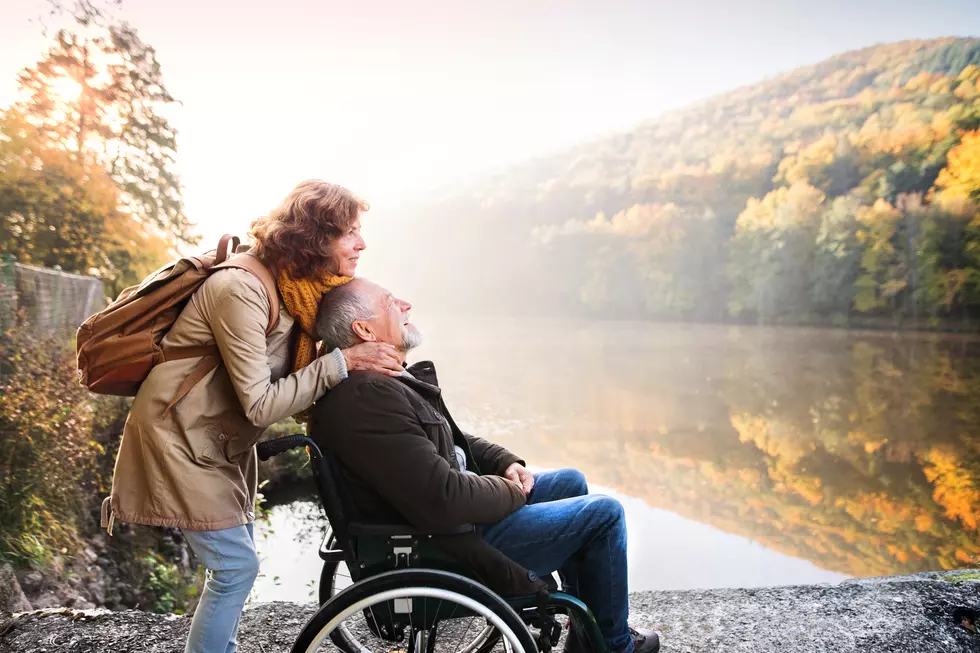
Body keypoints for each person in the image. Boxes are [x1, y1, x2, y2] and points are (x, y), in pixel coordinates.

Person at [101, 181, 405, 653]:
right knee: (234, 567)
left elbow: (298, 386)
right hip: (179, 439)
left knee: (234, 564)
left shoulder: (298, 293)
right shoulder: (240, 289)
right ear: (313, 239)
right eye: (350, 233)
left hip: (217, 442)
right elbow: (261, 403)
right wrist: (344, 362)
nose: (362, 244)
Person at [310, 278, 661, 653]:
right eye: (391, 302)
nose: (406, 304)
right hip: (448, 544)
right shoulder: (367, 398)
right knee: (604, 516)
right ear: (364, 329)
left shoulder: (381, 382)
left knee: (570, 482)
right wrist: (510, 492)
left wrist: (505, 462)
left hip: (451, 523)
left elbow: (447, 438)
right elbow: (445, 498)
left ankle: (589, 636)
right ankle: (613, 646)